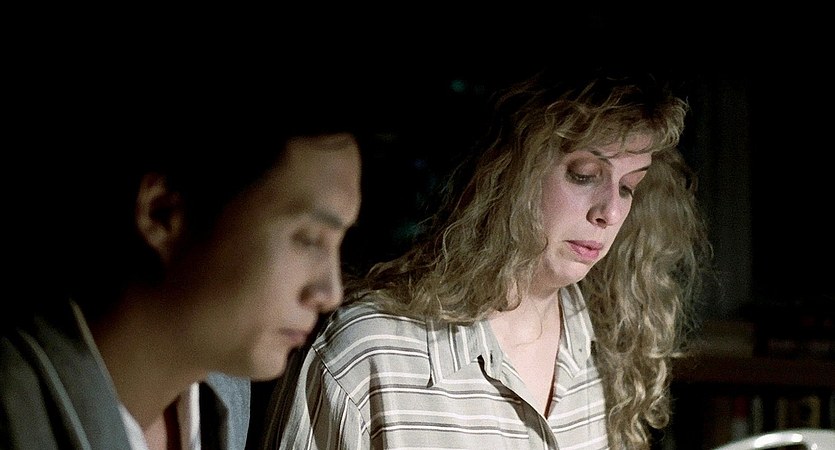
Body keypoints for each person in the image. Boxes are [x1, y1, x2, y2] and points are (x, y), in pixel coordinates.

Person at [260, 67, 713, 450]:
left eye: (629, 187)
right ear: (510, 171)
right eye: (584, 175)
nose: (610, 212)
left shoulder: (608, 341)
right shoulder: (369, 354)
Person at [1, 69, 365, 449]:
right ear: (164, 214)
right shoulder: (19, 416)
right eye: (308, 239)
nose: (331, 294)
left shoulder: (222, 397)